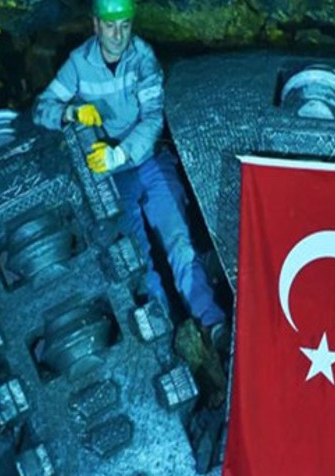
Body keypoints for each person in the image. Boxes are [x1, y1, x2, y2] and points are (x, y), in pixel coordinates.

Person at [32, 0, 228, 346]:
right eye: (110, 26)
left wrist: (119, 153)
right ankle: (168, 334)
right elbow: (41, 109)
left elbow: (153, 118)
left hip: (149, 162)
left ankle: (213, 324)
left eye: (124, 25)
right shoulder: (78, 64)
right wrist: (71, 113)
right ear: (96, 25)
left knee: (179, 243)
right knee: (138, 258)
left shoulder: (142, 57)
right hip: (112, 180)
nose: (118, 34)